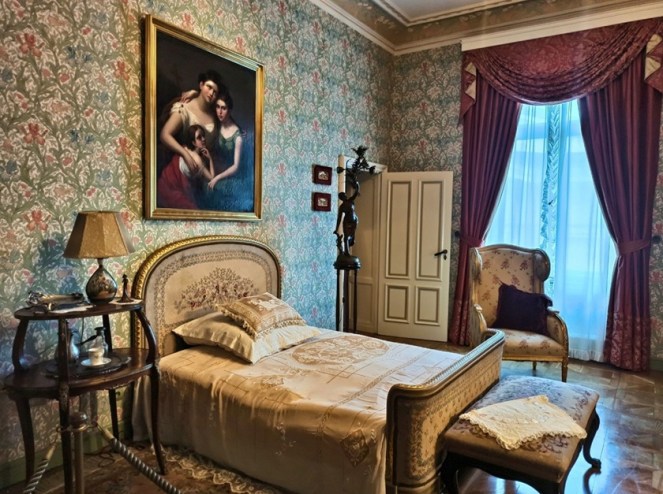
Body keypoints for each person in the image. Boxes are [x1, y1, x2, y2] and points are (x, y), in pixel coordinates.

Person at [159, 70, 224, 174]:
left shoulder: (216, 113)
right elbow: (164, 135)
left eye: (215, 92)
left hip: (204, 170)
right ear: (201, 85)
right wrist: (185, 155)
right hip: (184, 169)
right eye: (209, 87)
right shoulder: (184, 109)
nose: (211, 93)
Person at [205, 92, 254, 212]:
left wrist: (217, 178)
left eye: (224, 108)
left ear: (230, 110)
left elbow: (236, 167)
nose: (220, 112)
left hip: (233, 176)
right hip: (218, 169)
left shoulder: (238, 137)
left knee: (212, 190)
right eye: (218, 107)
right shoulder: (217, 125)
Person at [157, 124, 215, 209]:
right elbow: (212, 178)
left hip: (165, 182)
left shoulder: (184, 148)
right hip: (171, 186)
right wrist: (210, 159)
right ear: (193, 142)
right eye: (199, 137)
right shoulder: (197, 159)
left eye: (203, 136)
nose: (203, 139)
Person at [334, 187, 358, 256]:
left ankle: (350, 244)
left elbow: (356, 193)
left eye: (344, 195)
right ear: (341, 198)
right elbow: (339, 218)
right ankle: (347, 252)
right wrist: (336, 229)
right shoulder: (342, 207)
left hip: (354, 221)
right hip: (347, 222)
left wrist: (357, 185)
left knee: (352, 237)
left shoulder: (351, 201)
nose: (345, 196)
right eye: (342, 196)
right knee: (346, 237)